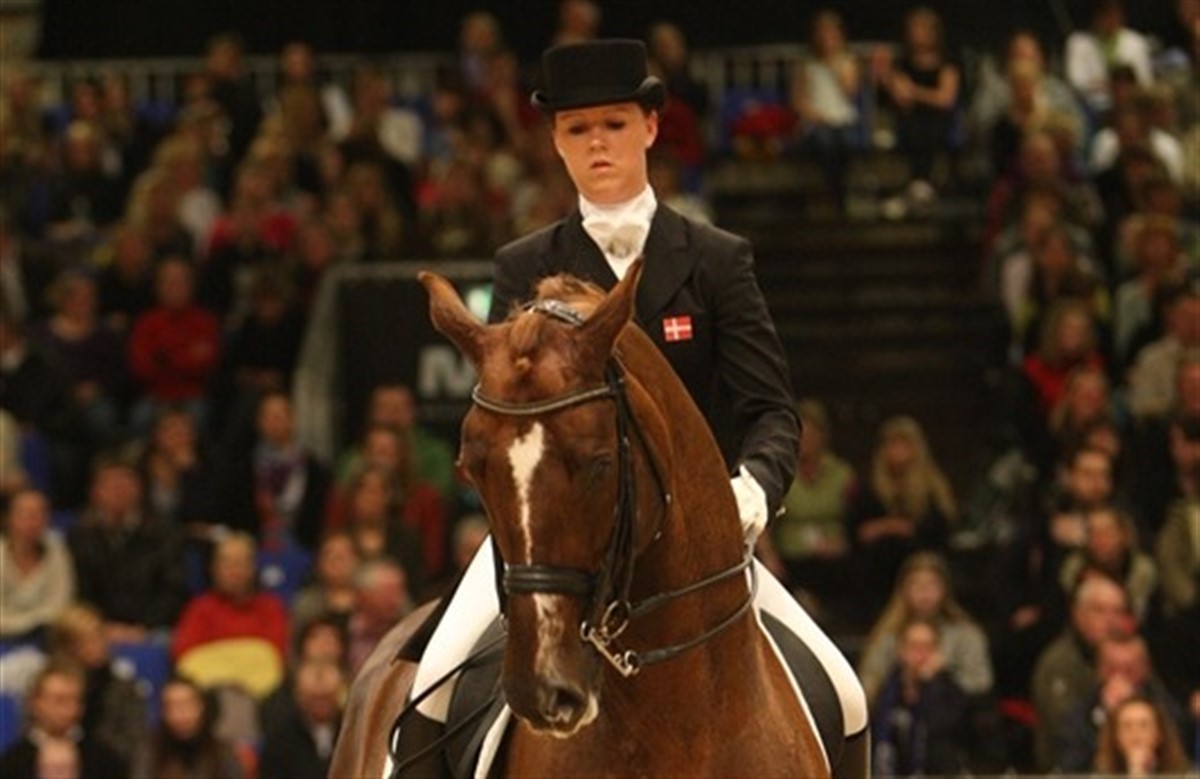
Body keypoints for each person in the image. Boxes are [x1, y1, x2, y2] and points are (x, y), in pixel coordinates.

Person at [406, 37, 866, 764]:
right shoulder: (524, 266)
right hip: (556, 541)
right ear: (556, 141)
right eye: (578, 128)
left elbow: (772, 412)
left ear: (650, 127)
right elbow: (509, 417)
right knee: (429, 690)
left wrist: (749, 492)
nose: (598, 142)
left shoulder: (716, 260)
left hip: (701, 544)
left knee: (845, 692)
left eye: (614, 124)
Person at [68, 454, 188, 640]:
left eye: (124, 484)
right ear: (95, 493)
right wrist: (101, 626)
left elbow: (173, 589)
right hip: (97, 630)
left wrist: (143, 627)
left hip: (154, 628)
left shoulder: (165, 533)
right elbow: (80, 591)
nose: (118, 492)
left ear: (139, 489)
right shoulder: (80, 537)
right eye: (110, 485)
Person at [857, 552, 992, 706]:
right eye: (915, 584)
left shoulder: (967, 635)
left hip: (953, 715)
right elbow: (866, 686)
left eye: (932, 584)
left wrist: (944, 674)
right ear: (903, 589)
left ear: (945, 589)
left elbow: (982, 684)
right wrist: (902, 678)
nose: (924, 591)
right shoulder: (887, 635)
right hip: (897, 714)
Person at [1031, 574, 1133, 771]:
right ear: (1077, 613)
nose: (1111, 620)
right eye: (1100, 610)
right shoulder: (1060, 662)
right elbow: (1063, 732)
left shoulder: (1130, 657)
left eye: (1118, 611)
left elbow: (1168, 721)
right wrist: (1102, 709)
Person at [47, 603, 147, 770]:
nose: (99, 645)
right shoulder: (49, 688)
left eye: (100, 636)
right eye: (87, 640)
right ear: (68, 648)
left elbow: (137, 746)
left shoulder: (124, 690)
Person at [870, 617, 971, 777]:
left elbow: (940, 732)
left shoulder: (951, 692)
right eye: (914, 646)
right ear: (901, 650)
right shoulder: (887, 692)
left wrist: (930, 685)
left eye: (928, 647)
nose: (921, 654)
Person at [0, 662, 126, 778]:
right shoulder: (13, 763)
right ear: (36, 703)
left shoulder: (105, 760)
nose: (68, 709)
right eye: (59, 700)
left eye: (75, 700)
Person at [135, 674, 246, 778]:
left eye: (186, 704)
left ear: (201, 706)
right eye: (171, 706)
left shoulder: (222, 753)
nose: (179, 714)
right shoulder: (150, 752)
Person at [0, 488, 75, 641]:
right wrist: (21, 626)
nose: (33, 521)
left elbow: (60, 602)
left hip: (46, 634)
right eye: (25, 514)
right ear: (8, 518)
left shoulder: (57, 548)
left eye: (40, 514)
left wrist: (37, 625)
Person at [258, 658, 345, 779]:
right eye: (314, 699)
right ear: (299, 696)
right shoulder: (280, 739)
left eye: (326, 698)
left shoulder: (353, 733)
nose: (321, 706)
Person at [1093, 694, 1193, 775]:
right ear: (1116, 736)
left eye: (1144, 725)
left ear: (1159, 734)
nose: (1135, 734)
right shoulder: (1100, 775)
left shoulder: (1183, 775)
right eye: (1127, 726)